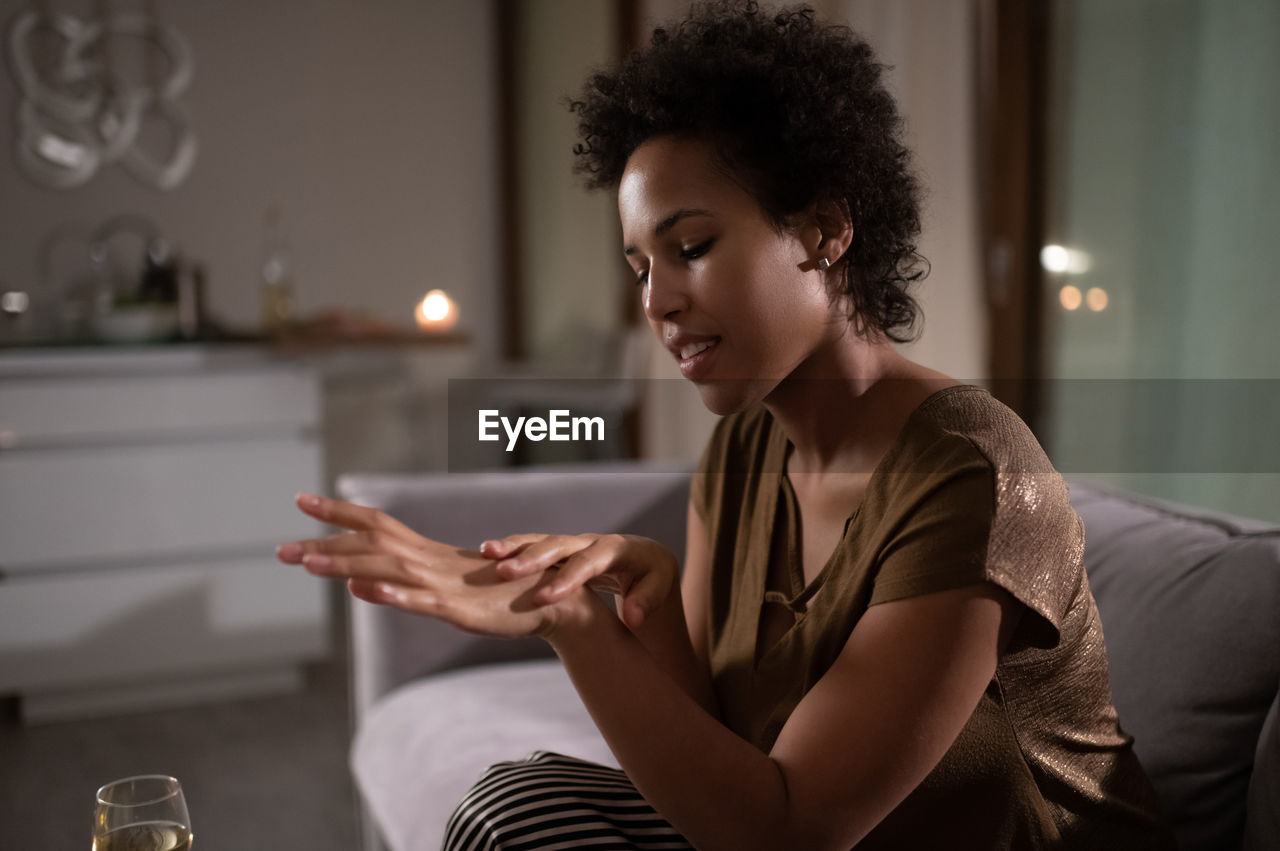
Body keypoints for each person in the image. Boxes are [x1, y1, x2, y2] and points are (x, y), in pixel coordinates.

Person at [276, 2, 1174, 847]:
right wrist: (654, 609)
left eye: (691, 247)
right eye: (640, 265)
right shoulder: (743, 448)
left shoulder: (972, 475)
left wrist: (575, 628)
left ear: (822, 230)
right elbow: (720, 755)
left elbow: (786, 832)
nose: (658, 301)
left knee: (524, 814)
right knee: (523, 799)